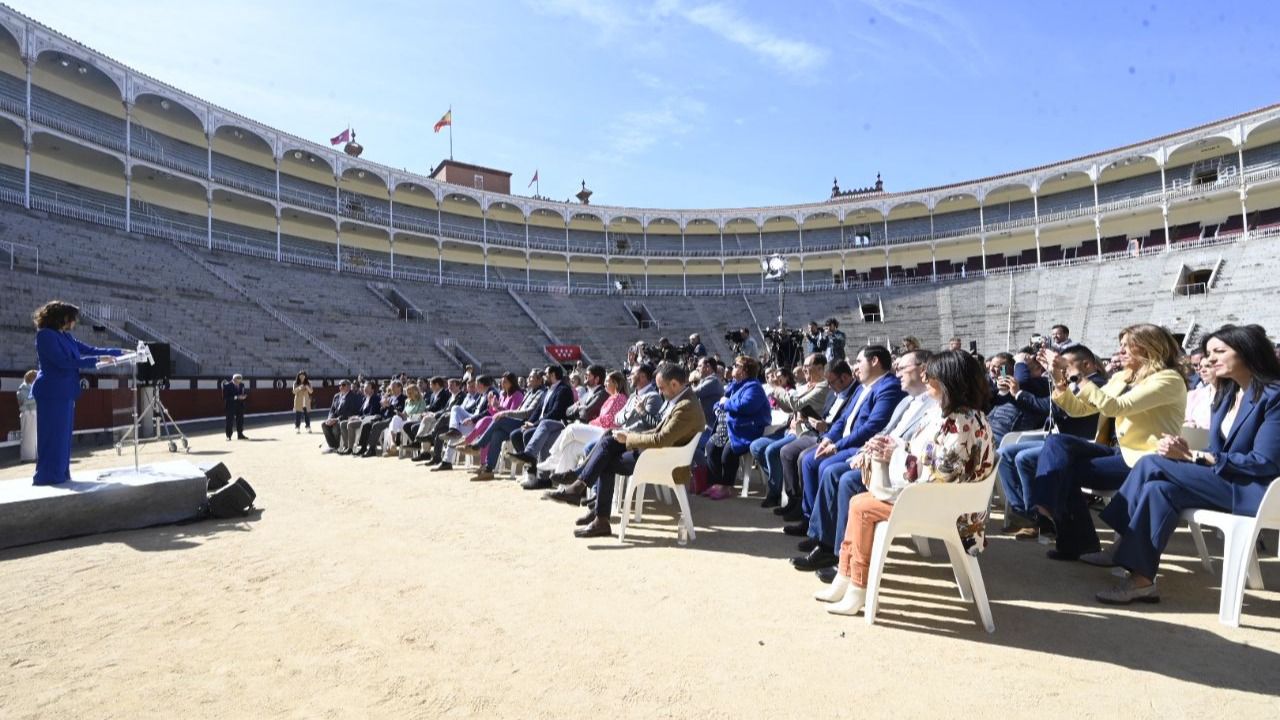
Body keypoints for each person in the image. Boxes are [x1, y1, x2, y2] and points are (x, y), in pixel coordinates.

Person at [1094, 324, 1280, 603]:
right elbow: (1218, 450)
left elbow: (1264, 461)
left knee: (1150, 464)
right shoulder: (1226, 394)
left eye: (1219, 351)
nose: (1210, 359)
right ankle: (1142, 581)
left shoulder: (1273, 396)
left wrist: (1196, 457)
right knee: (1158, 489)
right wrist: (1186, 450)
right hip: (1225, 480)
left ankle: (1120, 540)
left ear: (1247, 352)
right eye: (1208, 352)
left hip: (1257, 490)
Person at [815, 350, 994, 615]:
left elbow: (937, 473)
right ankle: (846, 576)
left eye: (930, 376)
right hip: (942, 499)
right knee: (858, 502)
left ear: (948, 382)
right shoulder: (958, 416)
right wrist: (895, 446)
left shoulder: (961, 422)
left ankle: (858, 586)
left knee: (862, 508)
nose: (925, 379)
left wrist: (894, 455)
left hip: (949, 508)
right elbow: (927, 455)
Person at [1029, 323, 1187, 562]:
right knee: (1057, 444)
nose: (1121, 351)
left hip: (1146, 459)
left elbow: (1116, 407)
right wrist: (1059, 379)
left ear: (1149, 347)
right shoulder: (1124, 377)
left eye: (1127, 346)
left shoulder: (1168, 379)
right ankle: (1046, 507)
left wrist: (1074, 372)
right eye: (1120, 345)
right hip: (1119, 451)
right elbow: (1079, 410)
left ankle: (1074, 540)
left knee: (1067, 470)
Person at [548, 362, 706, 539]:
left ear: (675, 384)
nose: (660, 392)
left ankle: (587, 499)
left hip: (664, 460)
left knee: (605, 459)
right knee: (609, 436)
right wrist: (627, 434)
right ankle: (584, 494)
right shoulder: (682, 400)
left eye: (662, 388)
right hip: (657, 453)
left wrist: (629, 438)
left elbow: (661, 439)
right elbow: (657, 433)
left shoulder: (685, 406)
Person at [29, 301, 124, 485]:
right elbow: (63, 361)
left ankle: (61, 474)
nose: (75, 322)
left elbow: (91, 350)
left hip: (65, 392)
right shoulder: (45, 336)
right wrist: (96, 360)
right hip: (52, 392)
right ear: (62, 317)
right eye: (72, 318)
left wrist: (121, 352)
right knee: (53, 436)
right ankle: (48, 476)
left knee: (63, 437)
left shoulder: (66, 337)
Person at [703, 355, 772, 500]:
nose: (732, 367)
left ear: (744, 370)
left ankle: (726, 486)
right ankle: (716, 483)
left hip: (747, 430)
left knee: (728, 451)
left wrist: (725, 404)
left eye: (736, 365)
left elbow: (746, 407)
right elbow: (720, 402)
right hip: (733, 429)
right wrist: (718, 407)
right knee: (711, 446)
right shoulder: (735, 385)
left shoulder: (754, 387)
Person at [321, 380, 361, 452]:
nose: (341, 387)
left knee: (336, 425)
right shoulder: (336, 396)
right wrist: (330, 418)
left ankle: (338, 445)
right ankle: (332, 446)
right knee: (324, 424)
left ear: (349, 386)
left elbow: (351, 412)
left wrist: (336, 419)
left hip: (345, 419)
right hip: (335, 418)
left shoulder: (353, 397)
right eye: (339, 385)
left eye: (343, 385)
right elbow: (332, 410)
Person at [1184, 354, 1216, 429]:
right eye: (1201, 367)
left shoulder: (1232, 396)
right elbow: (1186, 421)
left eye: (1208, 366)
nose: (1202, 370)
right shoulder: (1193, 395)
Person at [17, 369, 37, 462]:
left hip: (33, 412)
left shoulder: (33, 387)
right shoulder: (23, 387)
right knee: (27, 436)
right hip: (27, 414)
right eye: (35, 377)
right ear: (31, 378)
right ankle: (27, 456)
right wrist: (37, 398)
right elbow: (25, 400)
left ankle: (33, 455)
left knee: (34, 436)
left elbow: (27, 401)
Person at [223, 373, 249, 440]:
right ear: (234, 379)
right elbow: (225, 397)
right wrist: (236, 397)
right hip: (230, 405)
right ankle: (228, 436)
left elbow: (243, 392)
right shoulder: (227, 386)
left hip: (240, 405)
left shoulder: (242, 385)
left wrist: (244, 396)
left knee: (240, 420)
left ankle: (240, 434)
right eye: (238, 381)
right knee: (229, 421)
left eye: (240, 380)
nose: (239, 382)